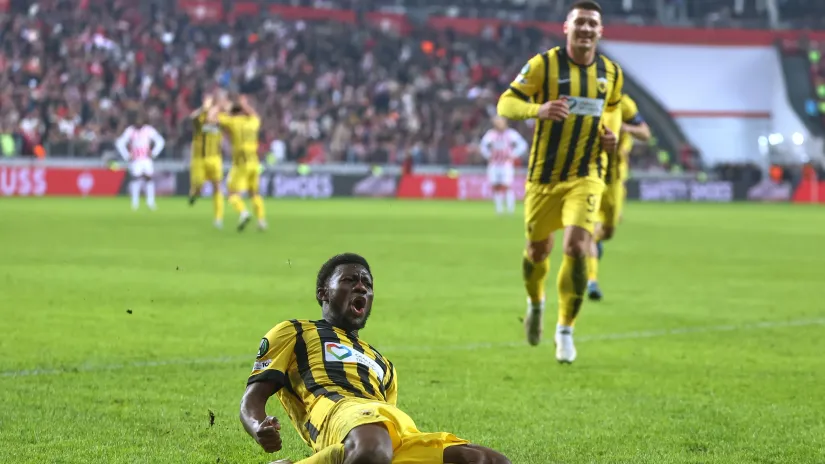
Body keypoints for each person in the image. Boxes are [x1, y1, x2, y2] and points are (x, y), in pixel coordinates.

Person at [239, 253, 511, 464]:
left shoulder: (383, 364)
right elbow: (253, 397)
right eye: (349, 281)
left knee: (489, 460)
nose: (361, 287)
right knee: (371, 446)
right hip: (337, 411)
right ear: (323, 293)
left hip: (393, 426)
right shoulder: (295, 331)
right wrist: (257, 426)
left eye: (367, 284)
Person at [496, 0, 622, 363]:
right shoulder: (544, 65)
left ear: (600, 31)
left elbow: (612, 107)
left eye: (592, 24)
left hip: (587, 174)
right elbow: (506, 103)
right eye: (579, 22)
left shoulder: (611, 73)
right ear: (566, 28)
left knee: (578, 247)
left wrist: (609, 134)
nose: (585, 29)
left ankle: (565, 329)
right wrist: (538, 109)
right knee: (538, 252)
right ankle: (536, 303)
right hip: (543, 177)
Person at [587, 94, 650, 301]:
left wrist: (626, 128)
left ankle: (595, 243)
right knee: (588, 233)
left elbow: (645, 133)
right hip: (590, 177)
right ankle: (592, 281)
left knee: (607, 231)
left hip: (614, 181)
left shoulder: (624, 103)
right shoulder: (584, 100)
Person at [208, 94, 266, 232]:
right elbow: (255, 115)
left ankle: (244, 213)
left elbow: (212, 119)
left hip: (241, 164)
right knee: (254, 193)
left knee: (232, 193)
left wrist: (218, 106)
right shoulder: (252, 121)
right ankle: (261, 221)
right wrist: (245, 105)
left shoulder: (233, 122)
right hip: (255, 163)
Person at [188, 94, 225, 229]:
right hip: (199, 159)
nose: (213, 113)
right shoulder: (200, 121)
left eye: (215, 110)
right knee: (198, 186)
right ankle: (194, 194)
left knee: (217, 187)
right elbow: (192, 117)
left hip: (215, 158)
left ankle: (218, 218)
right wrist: (204, 109)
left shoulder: (221, 122)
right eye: (211, 110)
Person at [115, 113, 165, 211]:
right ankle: (135, 203)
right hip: (135, 160)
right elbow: (119, 143)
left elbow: (160, 141)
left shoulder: (148, 130)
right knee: (136, 179)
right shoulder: (130, 130)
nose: (138, 122)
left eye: (140, 120)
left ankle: (150, 202)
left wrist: (154, 153)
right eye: (137, 120)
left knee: (149, 179)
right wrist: (127, 155)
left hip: (146, 159)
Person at [479, 116, 529, 215]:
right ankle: (499, 209)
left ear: (504, 122)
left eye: (500, 122)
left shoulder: (511, 134)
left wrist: (513, 155)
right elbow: (483, 146)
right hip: (494, 164)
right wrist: (488, 155)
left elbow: (522, 145)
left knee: (507, 186)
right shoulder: (491, 134)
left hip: (506, 164)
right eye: (496, 122)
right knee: (496, 186)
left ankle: (510, 209)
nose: (498, 124)